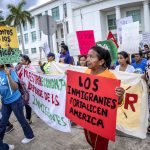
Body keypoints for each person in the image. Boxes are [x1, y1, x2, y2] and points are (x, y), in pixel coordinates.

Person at [84, 46, 124, 150]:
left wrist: (119, 96)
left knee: (100, 146)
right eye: (87, 56)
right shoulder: (87, 72)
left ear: (101, 61)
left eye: (91, 57)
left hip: (102, 122)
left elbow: (116, 103)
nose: (87, 59)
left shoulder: (110, 77)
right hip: (87, 116)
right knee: (90, 140)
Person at [0, 64, 34, 147]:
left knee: (21, 119)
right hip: (5, 101)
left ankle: (30, 136)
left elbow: (15, 87)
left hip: (15, 100)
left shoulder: (11, 70)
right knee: (2, 122)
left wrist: (8, 75)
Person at [16, 55, 35, 124]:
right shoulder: (20, 67)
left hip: (28, 89)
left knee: (27, 104)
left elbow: (34, 77)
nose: (21, 61)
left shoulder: (31, 67)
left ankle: (28, 118)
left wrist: (28, 70)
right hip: (21, 88)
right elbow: (15, 71)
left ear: (26, 61)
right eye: (20, 60)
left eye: (22, 60)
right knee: (22, 104)